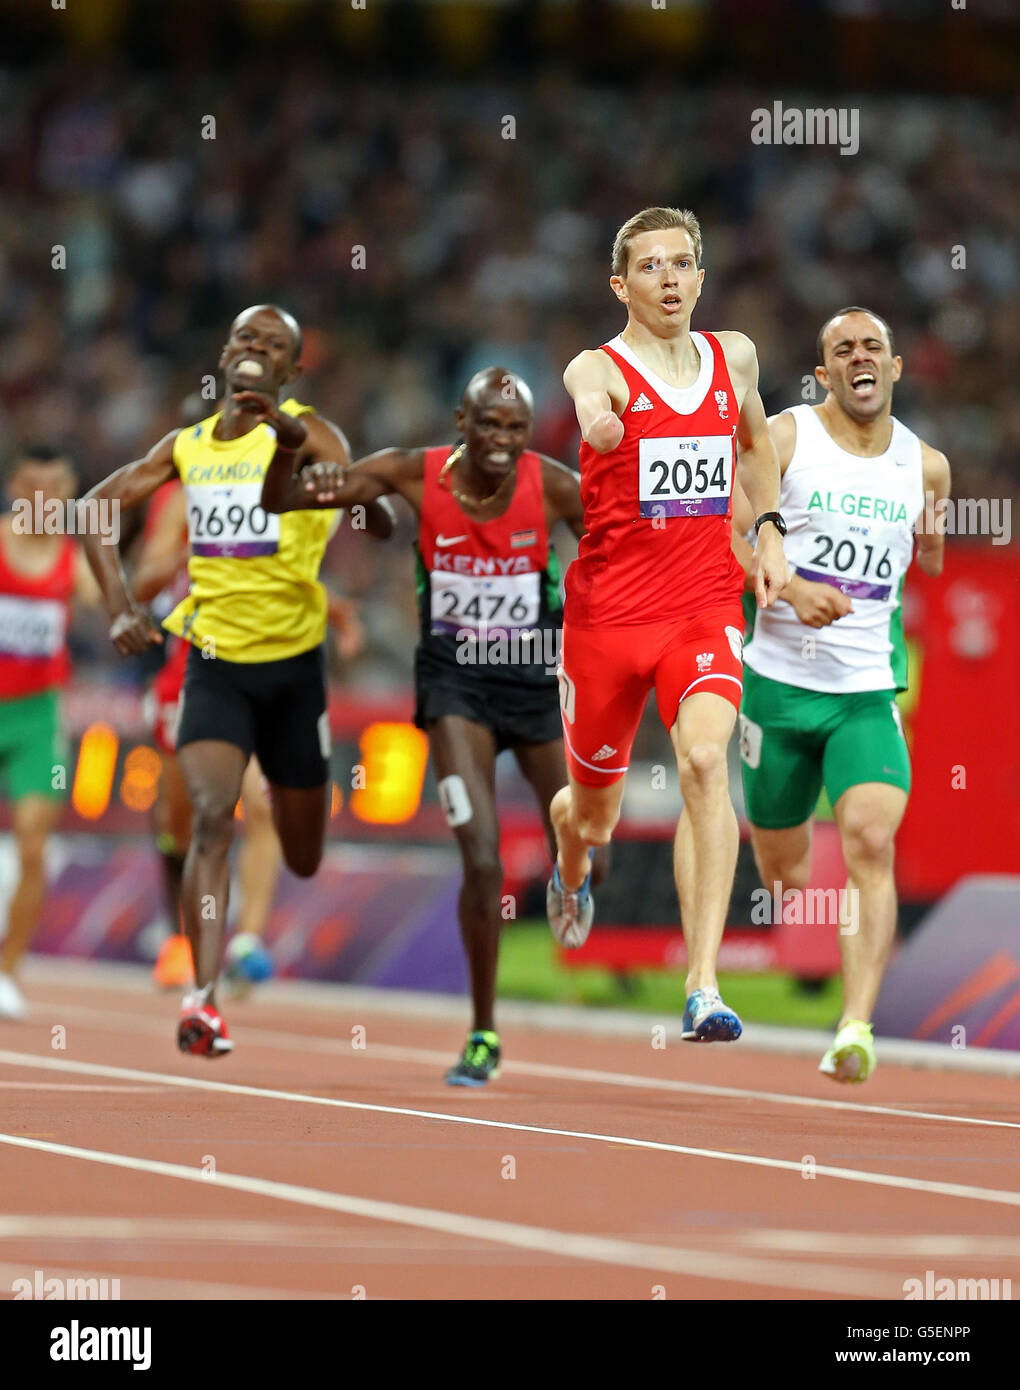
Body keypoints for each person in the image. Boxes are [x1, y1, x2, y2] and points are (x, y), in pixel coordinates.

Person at [258, 366, 600, 1085]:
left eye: (515, 428)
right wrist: (292, 451)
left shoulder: (555, 486)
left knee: (580, 833)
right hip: (454, 687)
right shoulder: (412, 473)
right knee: (482, 860)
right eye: (488, 425)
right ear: (460, 423)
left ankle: (573, 878)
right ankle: (483, 1032)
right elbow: (281, 501)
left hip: (534, 683)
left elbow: (617, 555)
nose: (501, 440)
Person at [79, 304, 392, 1056]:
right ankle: (204, 999)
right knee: (212, 818)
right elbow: (91, 509)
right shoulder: (186, 447)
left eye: (274, 344)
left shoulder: (313, 432)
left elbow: (377, 513)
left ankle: (270, 880)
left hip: (294, 669)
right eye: (247, 337)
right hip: (214, 660)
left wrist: (346, 490)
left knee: (303, 852)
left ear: (292, 369)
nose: (256, 349)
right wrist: (121, 609)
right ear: (225, 355)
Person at [547, 206, 790, 1042]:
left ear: (701, 275)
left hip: (703, 607)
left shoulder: (735, 356)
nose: (669, 278)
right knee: (595, 817)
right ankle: (571, 858)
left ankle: (702, 984)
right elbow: (588, 397)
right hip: (608, 623)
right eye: (650, 266)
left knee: (705, 761)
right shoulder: (598, 367)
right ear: (621, 285)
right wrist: (598, 424)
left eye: (682, 262)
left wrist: (768, 530)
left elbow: (753, 447)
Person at [730, 306, 950, 1082]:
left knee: (870, 840)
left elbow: (930, 553)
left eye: (873, 347)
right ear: (824, 373)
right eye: (843, 349)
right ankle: (782, 863)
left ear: (894, 367)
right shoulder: (786, 439)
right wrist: (791, 587)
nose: (861, 357)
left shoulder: (927, 467)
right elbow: (727, 534)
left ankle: (854, 1027)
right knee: (785, 878)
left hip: (865, 690)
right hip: (778, 689)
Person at [0, 444, 102, 1018]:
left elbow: (119, 603)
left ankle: (7, 971)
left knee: (34, 844)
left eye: (55, 488)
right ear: (15, 490)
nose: (45, 498)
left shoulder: (74, 561)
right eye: (34, 487)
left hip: (37, 718)